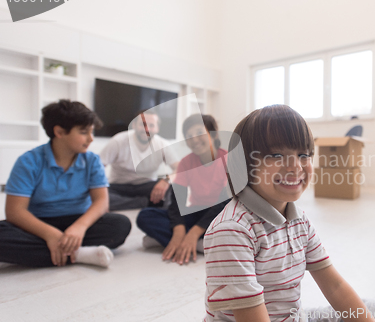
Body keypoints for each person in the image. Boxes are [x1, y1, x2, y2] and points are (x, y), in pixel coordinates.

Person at [203, 105, 375, 322]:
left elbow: (335, 286)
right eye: (276, 155)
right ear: (244, 164)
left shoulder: (299, 219)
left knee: (374, 312)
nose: (295, 166)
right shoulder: (232, 231)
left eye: (303, 154)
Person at [0, 100, 131, 268]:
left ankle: (61, 251)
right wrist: (50, 234)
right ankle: (79, 253)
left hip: (77, 220)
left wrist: (79, 228)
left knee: (120, 225)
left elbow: (101, 202)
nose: (91, 139)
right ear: (59, 132)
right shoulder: (28, 161)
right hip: (39, 224)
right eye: (84, 132)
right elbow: (15, 212)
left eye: (91, 132)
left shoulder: (92, 161)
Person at [136, 114, 230, 265]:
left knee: (232, 229)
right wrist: (179, 230)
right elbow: (176, 201)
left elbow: (225, 203)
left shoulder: (228, 159)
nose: (194, 139)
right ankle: (200, 245)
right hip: (197, 211)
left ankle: (178, 241)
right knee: (145, 216)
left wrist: (194, 233)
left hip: (220, 215)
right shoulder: (186, 163)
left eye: (199, 133)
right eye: (189, 136)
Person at [100, 111, 178, 211]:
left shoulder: (162, 144)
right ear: (134, 125)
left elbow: (179, 168)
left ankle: (131, 202)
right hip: (118, 187)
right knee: (96, 195)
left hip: (147, 186)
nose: (147, 129)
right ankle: (143, 202)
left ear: (157, 128)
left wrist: (166, 181)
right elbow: (99, 166)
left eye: (151, 125)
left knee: (173, 187)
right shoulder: (118, 141)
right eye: (143, 124)